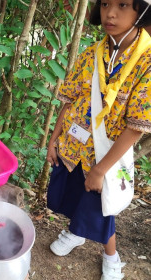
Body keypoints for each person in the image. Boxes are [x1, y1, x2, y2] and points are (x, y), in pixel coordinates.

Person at [46, 0, 151, 279]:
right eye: (105, 4)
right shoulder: (92, 53)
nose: (111, 13)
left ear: (140, 11)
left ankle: (111, 257)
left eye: (122, 5)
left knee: (101, 208)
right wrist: (53, 140)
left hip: (106, 155)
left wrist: (101, 169)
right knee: (72, 195)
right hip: (73, 145)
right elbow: (69, 100)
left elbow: (136, 127)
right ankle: (75, 232)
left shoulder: (146, 61)